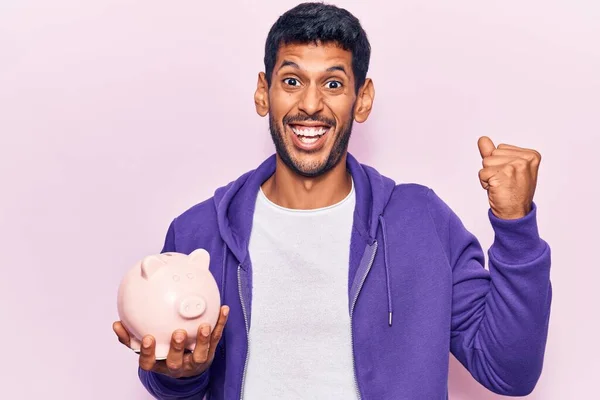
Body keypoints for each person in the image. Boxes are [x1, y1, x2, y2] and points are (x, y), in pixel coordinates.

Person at [112, 2, 552, 399]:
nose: (310, 104)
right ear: (263, 93)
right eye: (291, 80)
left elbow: (508, 371)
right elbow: (173, 377)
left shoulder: (421, 222)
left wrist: (515, 225)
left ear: (362, 100)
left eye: (333, 84)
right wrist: (180, 375)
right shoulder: (200, 231)